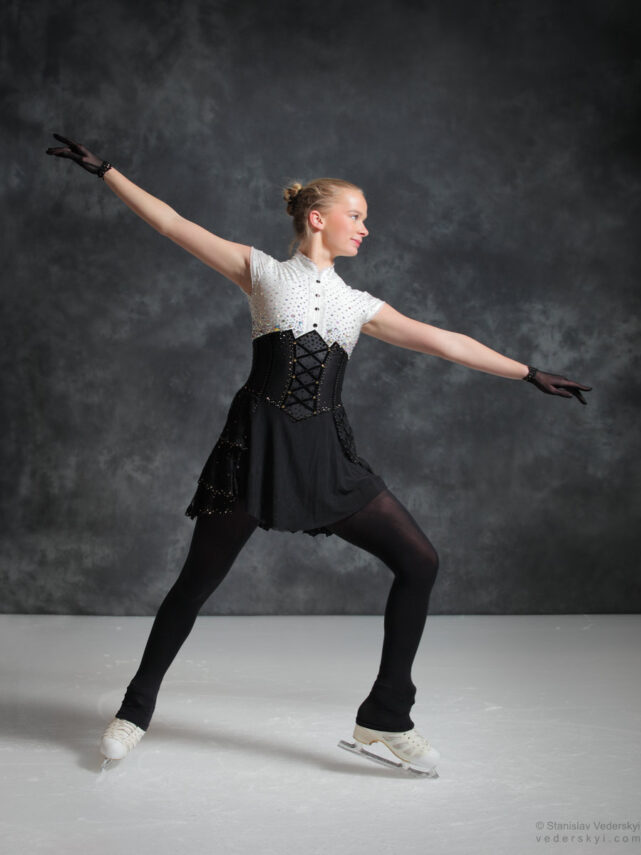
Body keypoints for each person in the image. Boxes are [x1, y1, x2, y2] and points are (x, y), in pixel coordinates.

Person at [45, 133, 592, 778]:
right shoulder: (262, 272)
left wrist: (527, 372)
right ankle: (134, 711)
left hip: (327, 458)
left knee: (419, 561)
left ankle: (385, 717)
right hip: (255, 450)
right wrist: (106, 171)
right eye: (356, 215)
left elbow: (448, 343)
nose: (366, 227)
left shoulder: (359, 306)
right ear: (317, 218)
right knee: (195, 586)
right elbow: (171, 223)